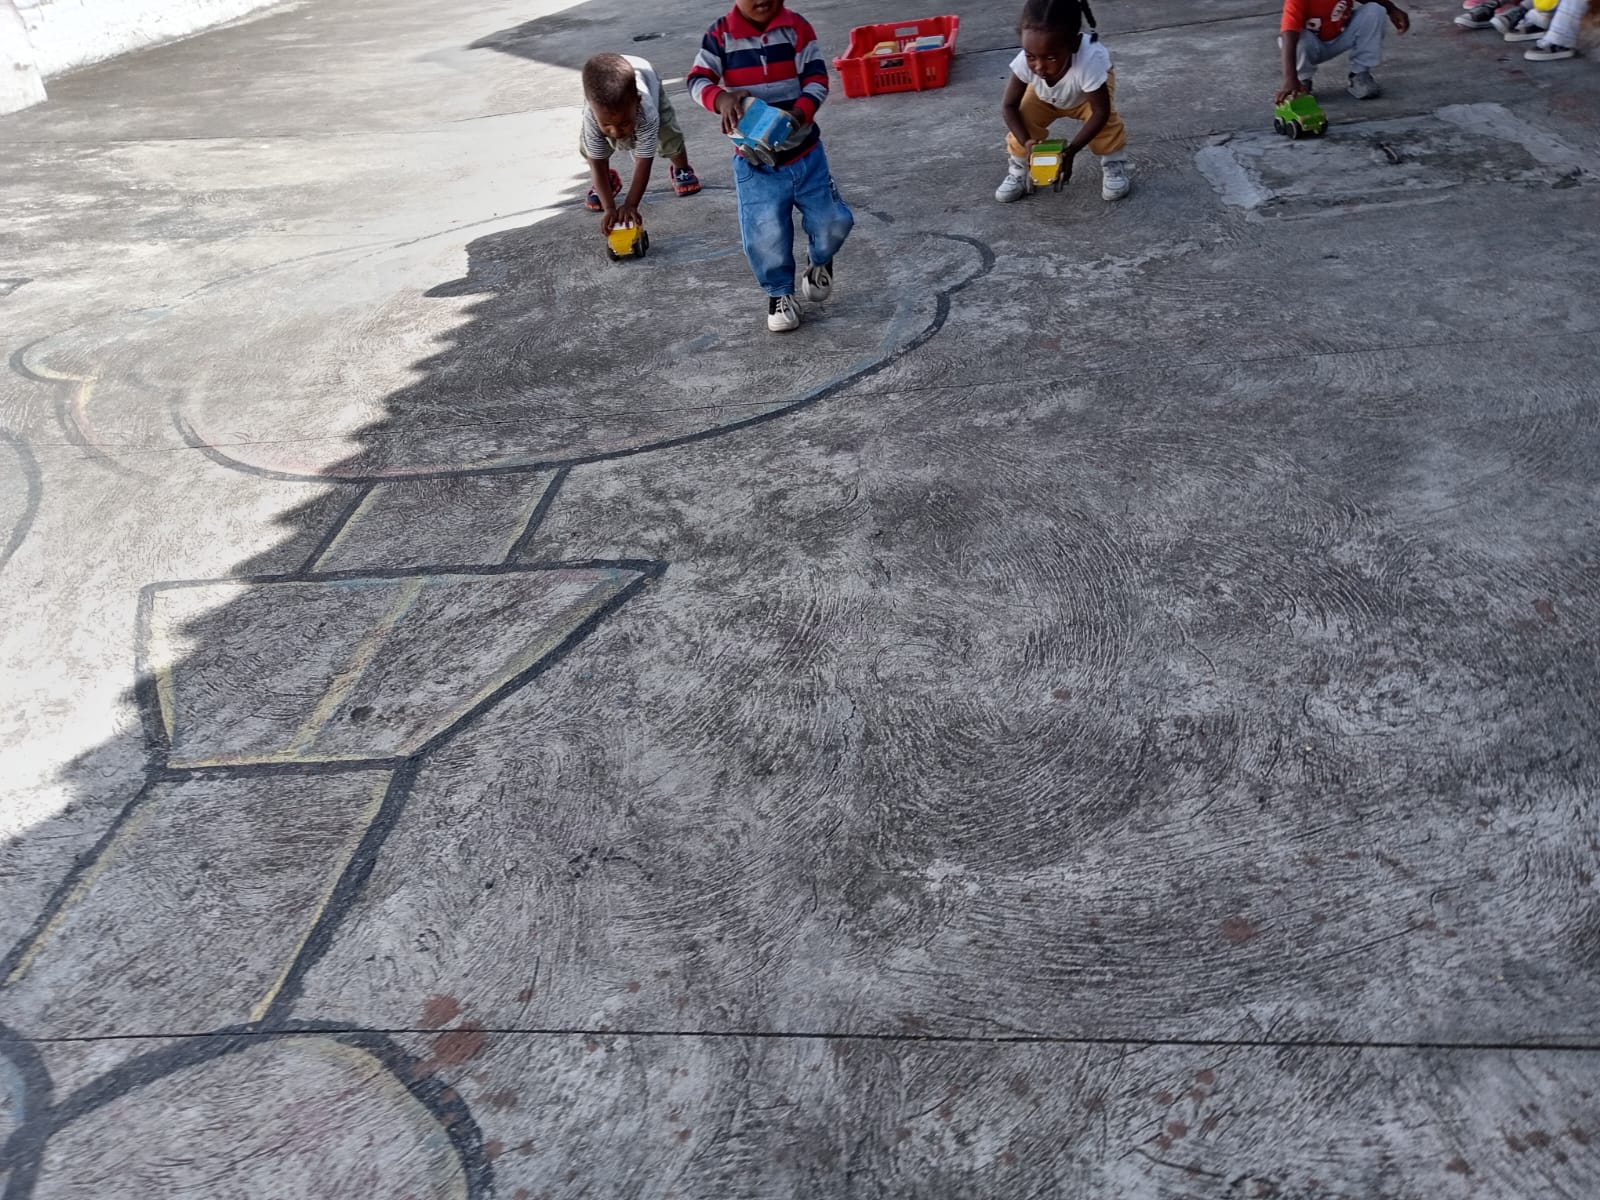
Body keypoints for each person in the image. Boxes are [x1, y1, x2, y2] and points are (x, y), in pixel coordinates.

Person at [687, 0, 854, 333]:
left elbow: (817, 80)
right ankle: (779, 293)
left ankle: (820, 259)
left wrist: (798, 114)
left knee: (833, 222)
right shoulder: (720, 35)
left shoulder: (796, 28)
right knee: (764, 236)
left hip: (806, 155)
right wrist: (721, 98)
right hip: (755, 164)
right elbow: (696, 80)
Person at [996, 0, 1131, 204]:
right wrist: (1026, 142)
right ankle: (1019, 169)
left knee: (1106, 125)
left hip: (1088, 96)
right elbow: (1009, 106)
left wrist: (1071, 150)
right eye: (1031, 56)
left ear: (1074, 45)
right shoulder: (1026, 62)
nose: (1039, 66)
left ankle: (1114, 164)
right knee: (1024, 116)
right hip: (1044, 95)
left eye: (1050, 58)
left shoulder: (1090, 61)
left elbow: (1100, 112)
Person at [580, 54, 701, 232]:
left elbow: (643, 161)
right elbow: (597, 163)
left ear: (637, 103)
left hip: (647, 78)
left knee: (669, 136)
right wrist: (609, 208)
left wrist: (631, 204)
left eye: (624, 123)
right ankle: (607, 181)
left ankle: (681, 169)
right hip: (608, 102)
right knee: (589, 150)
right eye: (607, 125)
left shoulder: (647, 113)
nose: (616, 132)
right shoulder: (591, 116)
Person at [1276, 0, 1410, 104]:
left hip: (1340, 37)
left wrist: (1392, 9)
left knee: (1375, 10)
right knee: (1295, 37)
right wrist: (1290, 79)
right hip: (1311, 46)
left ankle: (1360, 74)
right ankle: (1301, 81)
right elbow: (1289, 31)